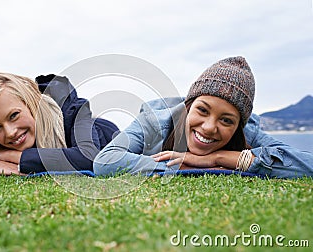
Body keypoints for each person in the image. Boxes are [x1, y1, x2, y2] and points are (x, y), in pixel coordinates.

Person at [93, 56, 313, 179]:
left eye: (226, 120)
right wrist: (184, 166)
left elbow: (308, 166)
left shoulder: (248, 132)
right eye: (202, 110)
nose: (208, 127)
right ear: (188, 106)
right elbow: (105, 161)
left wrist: (217, 159)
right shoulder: (154, 121)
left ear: (238, 125)